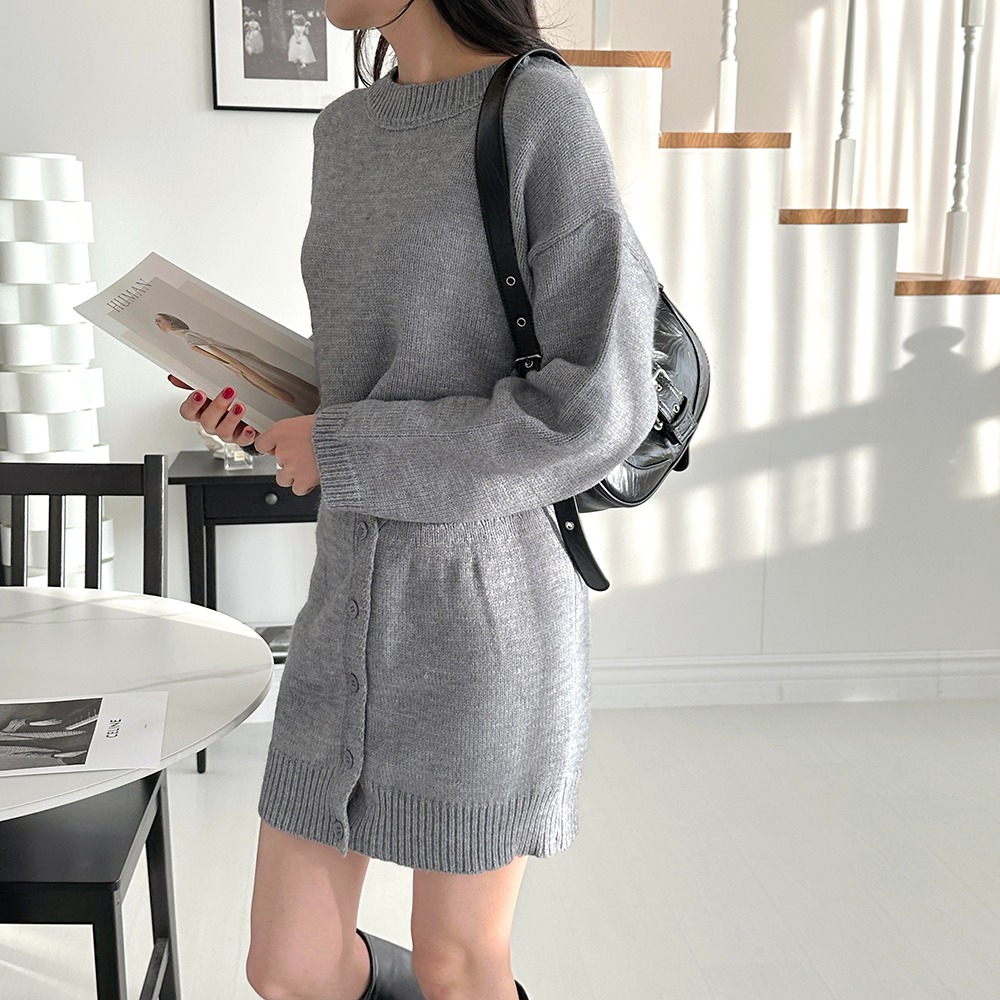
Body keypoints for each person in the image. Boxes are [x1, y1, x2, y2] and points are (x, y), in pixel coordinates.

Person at [169, 1, 660, 998]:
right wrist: (270, 413)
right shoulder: (345, 130)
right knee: (289, 966)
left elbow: (597, 405)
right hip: (346, 597)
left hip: (487, 611)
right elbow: (383, 368)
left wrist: (344, 446)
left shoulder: (540, 110)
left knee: (457, 962)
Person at [155, 312, 319, 415]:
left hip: (243, 366)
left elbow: (224, 356)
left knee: (283, 386)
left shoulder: (189, 338)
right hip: (243, 365)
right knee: (286, 384)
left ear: (171, 322)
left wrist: (254, 377)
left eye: (160, 321)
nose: (158, 324)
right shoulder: (189, 336)